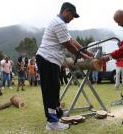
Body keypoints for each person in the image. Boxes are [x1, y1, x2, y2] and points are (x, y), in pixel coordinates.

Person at [36, 2, 93, 130]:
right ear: (66, 11)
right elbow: (68, 45)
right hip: (47, 59)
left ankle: (57, 113)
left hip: (51, 60)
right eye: (72, 15)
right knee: (50, 90)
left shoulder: (60, 23)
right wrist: (85, 56)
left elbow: (72, 40)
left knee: (55, 88)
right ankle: (52, 122)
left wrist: (86, 50)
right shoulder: (59, 23)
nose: (72, 19)